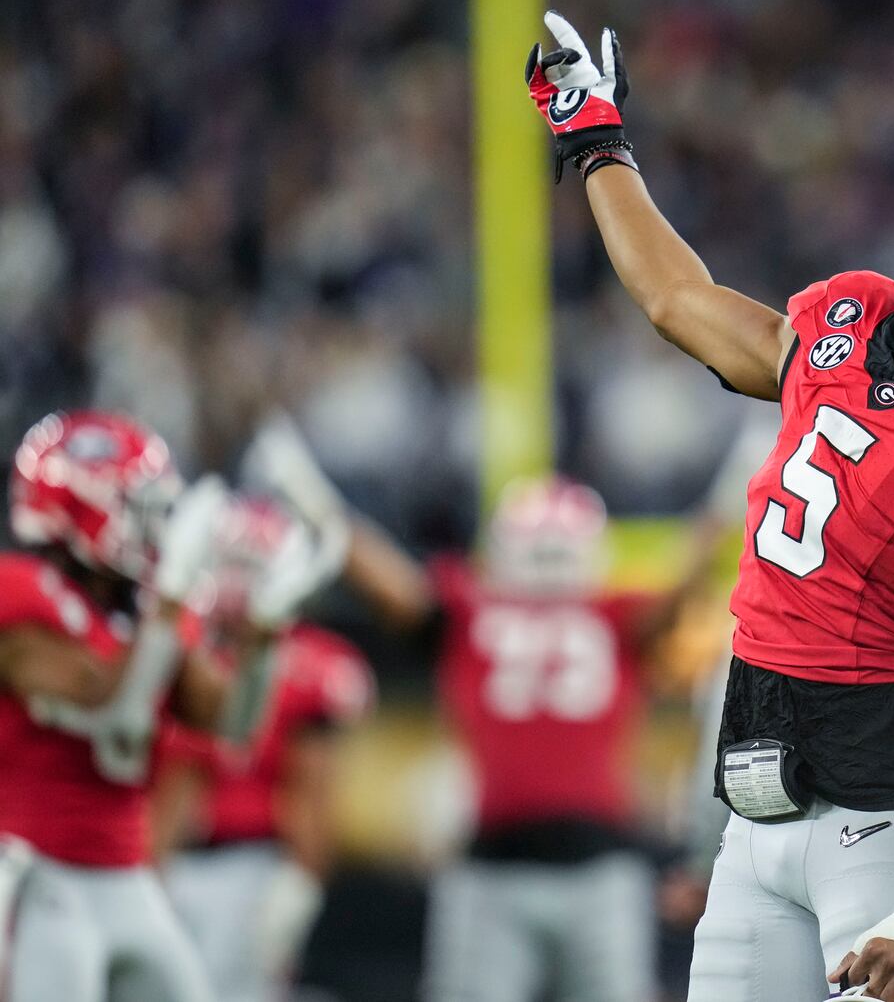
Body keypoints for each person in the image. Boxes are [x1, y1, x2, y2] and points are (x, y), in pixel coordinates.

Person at [525, 11, 894, 1002]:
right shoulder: (842, 324)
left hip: (885, 818)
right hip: (756, 817)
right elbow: (677, 298)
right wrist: (594, 136)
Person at [249, 416, 716, 1002]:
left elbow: (388, 585)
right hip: (572, 867)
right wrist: (731, 497)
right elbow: (686, 580)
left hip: (519, 867)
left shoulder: (478, 609)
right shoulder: (609, 614)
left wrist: (312, 501)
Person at [0, 411, 316, 1002]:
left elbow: (233, 724)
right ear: (83, 508)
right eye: (140, 508)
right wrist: (169, 599)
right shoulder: (18, 589)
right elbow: (108, 708)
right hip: (36, 876)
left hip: (127, 876)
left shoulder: (148, 609)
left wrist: (264, 636)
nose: (157, 529)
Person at [153, 498, 375, 1002]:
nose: (236, 583)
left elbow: (314, 792)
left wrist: (301, 882)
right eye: (227, 563)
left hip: (252, 862)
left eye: (250, 566)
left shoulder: (313, 665)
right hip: (170, 859)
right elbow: (174, 780)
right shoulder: (178, 644)